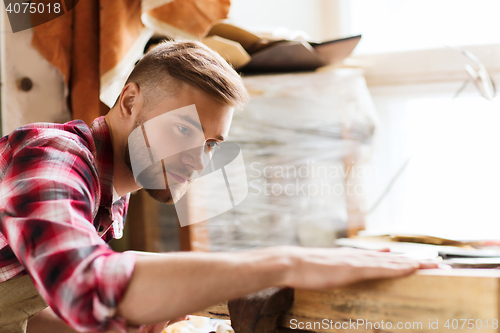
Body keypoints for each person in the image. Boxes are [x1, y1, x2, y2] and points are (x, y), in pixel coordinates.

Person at [0, 40, 437, 333]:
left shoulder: (111, 189)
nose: (198, 158)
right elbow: (83, 286)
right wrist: (284, 263)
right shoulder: (55, 155)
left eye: (211, 143)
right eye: (184, 129)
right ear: (130, 101)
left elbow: (40, 299)